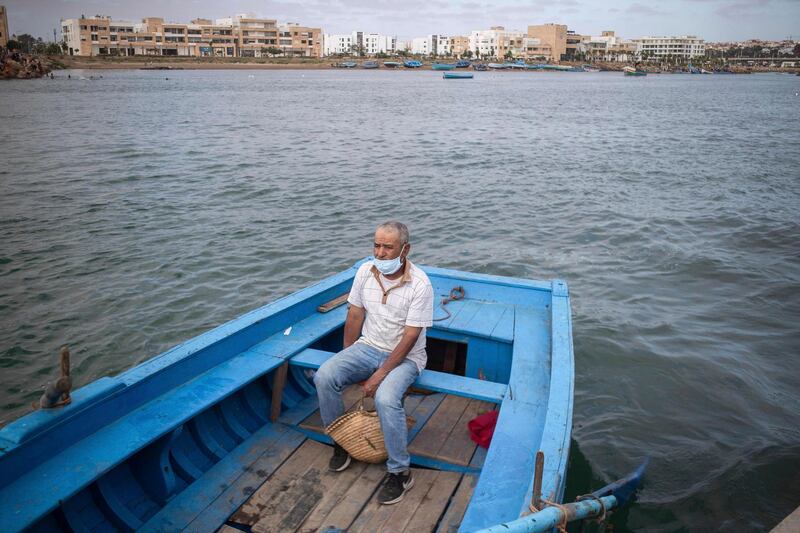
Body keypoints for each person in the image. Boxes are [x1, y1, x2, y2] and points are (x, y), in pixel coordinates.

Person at [314, 221, 434, 505]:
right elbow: (355, 316)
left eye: (388, 247)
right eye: (376, 245)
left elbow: (410, 337)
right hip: (367, 347)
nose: (380, 253)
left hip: (406, 357)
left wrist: (379, 375)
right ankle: (341, 441)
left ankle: (400, 471)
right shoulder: (365, 272)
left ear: (405, 249)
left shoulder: (421, 284)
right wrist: (348, 357)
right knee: (324, 376)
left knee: (386, 397)